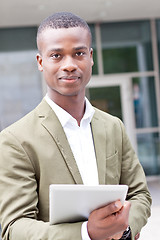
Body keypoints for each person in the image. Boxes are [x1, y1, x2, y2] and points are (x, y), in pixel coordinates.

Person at [0, 12, 151, 240]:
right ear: (41, 62)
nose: (69, 65)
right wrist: (87, 233)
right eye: (56, 55)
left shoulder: (113, 127)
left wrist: (124, 229)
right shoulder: (16, 139)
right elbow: (14, 227)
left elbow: (140, 194)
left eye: (78, 53)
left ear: (91, 57)